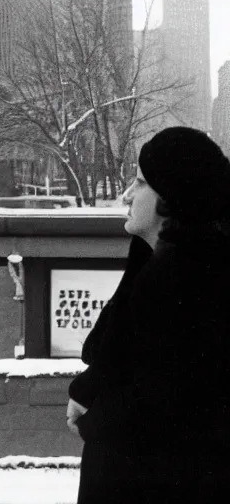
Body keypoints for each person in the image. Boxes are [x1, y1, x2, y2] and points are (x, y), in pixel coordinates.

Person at [67, 126, 230, 503]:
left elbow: (159, 404)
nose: (126, 194)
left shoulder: (193, 292)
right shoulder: (160, 270)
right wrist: (89, 389)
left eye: (140, 183)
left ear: (168, 200)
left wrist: (96, 416)